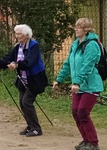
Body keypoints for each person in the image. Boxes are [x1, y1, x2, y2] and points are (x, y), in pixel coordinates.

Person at [0, 24, 48, 137]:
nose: (17, 36)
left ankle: (36, 129)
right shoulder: (18, 46)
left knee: (27, 102)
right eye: (16, 34)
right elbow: (9, 58)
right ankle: (30, 126)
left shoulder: (33, 45)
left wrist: (16, 65)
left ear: (27, 34)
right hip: (23, 79)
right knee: (22, 103)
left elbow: (29, 61)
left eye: (19, 34)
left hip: (34, 79)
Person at [53, 18, 103, 150]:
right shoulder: (75, 44)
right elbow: (68, 63)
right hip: (78, 86)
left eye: (79, 27)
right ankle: (86, 141)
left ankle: (93, 142)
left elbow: (88, 65)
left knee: (82, 112)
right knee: (75, 112)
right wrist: (59, 79)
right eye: (75, 27)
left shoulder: (92, 45)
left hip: (90, 85)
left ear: (86, 29)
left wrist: (77, 82)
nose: (76, 29)